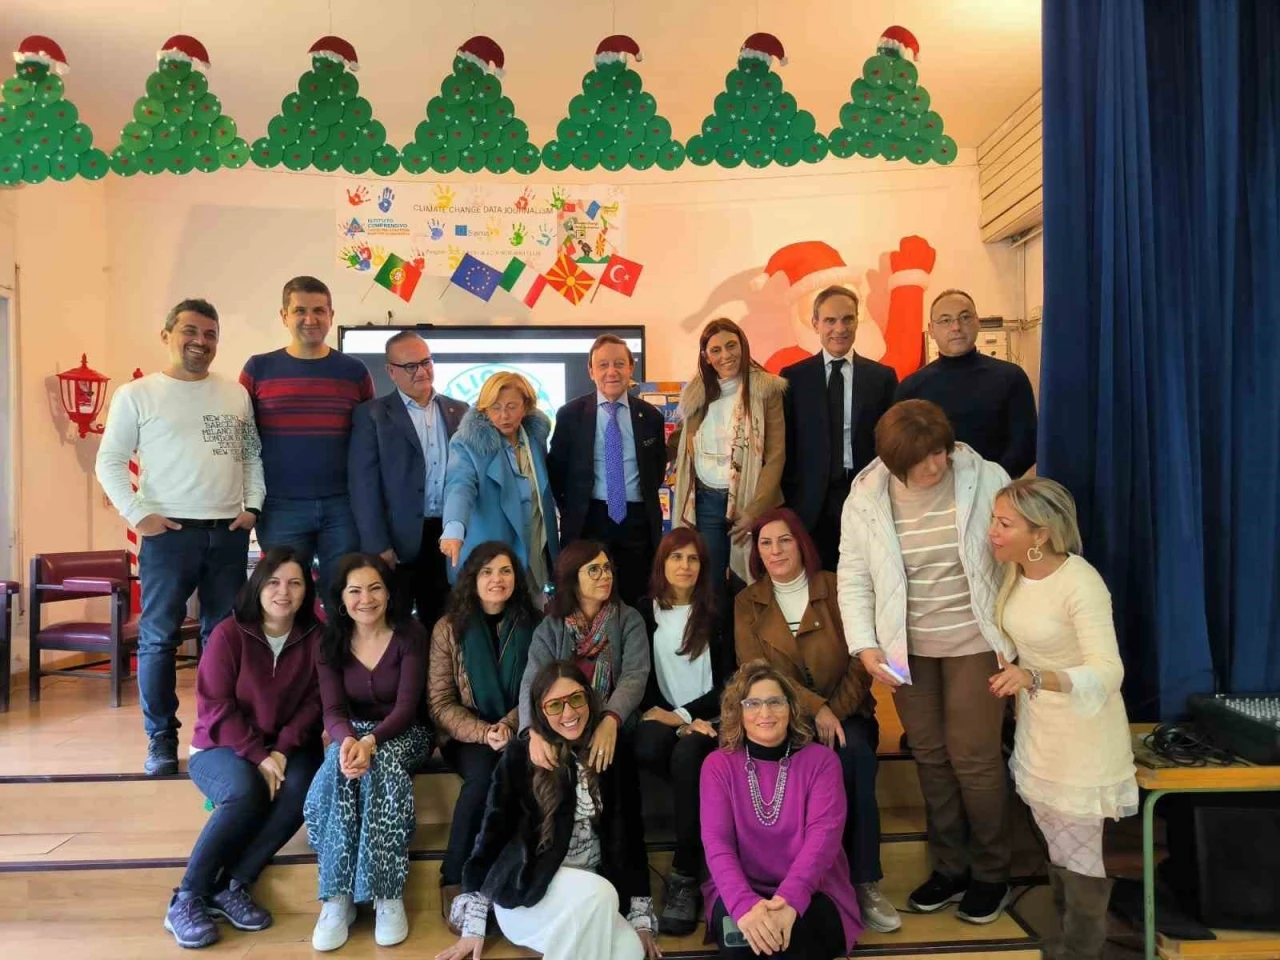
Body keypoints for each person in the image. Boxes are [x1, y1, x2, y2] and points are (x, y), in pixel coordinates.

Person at [837, 399, 1016, 924]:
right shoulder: (866, 495)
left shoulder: (986, 477)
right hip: (905, 649)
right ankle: (950, 867)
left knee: (975, 757)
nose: (935, 466)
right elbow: (854, 574)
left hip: (977, 641)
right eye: (921, 460)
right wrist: (864, 644)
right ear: (895, 463)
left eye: (940, 452)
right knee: (932, 757)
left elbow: (1014, 552)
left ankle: (992, 873)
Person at [95, 298, 264, 776]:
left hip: (227, 533)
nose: (200, 342)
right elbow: (109, 461)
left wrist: (252, 507)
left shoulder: (235, 395)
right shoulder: (137, 394)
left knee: (223, 638)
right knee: (158, 639)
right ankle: (161, 739)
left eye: (210, 334)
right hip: (168, 535)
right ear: (167, 334)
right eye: (190, 331)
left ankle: (216, 731)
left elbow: (251, 456)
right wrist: (138, 515)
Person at [987, 478, 1137, 960]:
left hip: (1082, 735)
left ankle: (1081, 949)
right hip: (1040, 730)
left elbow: (1109, 671)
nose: (992, 532)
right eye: (993, 520)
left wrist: (1033, 677)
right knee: (1059, 847)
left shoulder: (1080, 583)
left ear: (1041, 534)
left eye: (1004, 524)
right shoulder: (1016, 572)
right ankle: (1068, 945)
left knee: (1080, 852)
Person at [735, 507, 899, 933]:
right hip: (783, 719)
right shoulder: (747, 602)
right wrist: (814, 709)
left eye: (784, 540)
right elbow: (756, 670)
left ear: (801, 543)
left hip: (849, 711)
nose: (775, 550)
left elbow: (862, 656)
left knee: (853, 754)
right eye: (766, 543)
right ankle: (802, 880)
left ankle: (864, 880)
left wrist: (835, 711)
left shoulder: (836, 586)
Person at [435, 662, 658, 960]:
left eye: (576, 699)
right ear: (540, 711)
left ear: (589, 698)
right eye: (555, 705)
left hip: (589, 899)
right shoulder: (520, 755)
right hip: (527, 894)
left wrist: (640, 919)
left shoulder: (613, 753)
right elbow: (491, 836)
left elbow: (632, 838)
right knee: (602, 893)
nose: (568, 713)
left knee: (630, 950)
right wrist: (473, 926)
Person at [164, 547, 324, 949]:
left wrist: (281, 750)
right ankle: (187, 896)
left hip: (287, 746)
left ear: (306, 591)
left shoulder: (316, 637)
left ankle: (234, 884)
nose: (283, 592)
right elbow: (217, 707)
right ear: (258, 586)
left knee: (302, 787)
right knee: (245, 790)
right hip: (221, 745)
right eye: (274, 582)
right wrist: (260, 756)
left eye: (295, 583)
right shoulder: (229, 634)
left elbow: (314, 703)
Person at [304, 554, 432, 952]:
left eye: (375, 588)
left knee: (382, 764)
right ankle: (336, 897)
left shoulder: (410, 634)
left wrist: (369, 742)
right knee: (338, 764)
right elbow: (333, 710)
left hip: (407, 733)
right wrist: (347, 742)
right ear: (342, 598)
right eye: (355, 590)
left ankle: (387, 893)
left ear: (389, 593)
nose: (366, 599)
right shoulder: (329, 640)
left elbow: (406, 708)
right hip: (353, 734)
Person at [700, 660, 864, 959]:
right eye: (753, 703)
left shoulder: (822, 762)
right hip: (740, 889)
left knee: (790, 943)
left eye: (775, 702)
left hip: (815, 888)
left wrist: (789, 901)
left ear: (791, 708)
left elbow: (822, 842)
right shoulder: (718, 765)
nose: (765, 713)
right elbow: (717, 844)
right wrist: (744, 905)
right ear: (738, 711)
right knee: (745, 947)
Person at [427, 540, 540, 928]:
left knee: (522, 773)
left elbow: (538, 688)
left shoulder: (533, 623)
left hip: (520, 726)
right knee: (482, 778)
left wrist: (508, 725)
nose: (497, 579)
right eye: (487, 572)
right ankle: (455, 877)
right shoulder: (448, 628)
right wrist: (483, 732)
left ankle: (510, 880)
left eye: (505, 571)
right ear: (472, 579)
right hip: (466, 732)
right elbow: (440, 702)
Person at [240, 277, 374, 599]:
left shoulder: (355, 371)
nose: (310, 319)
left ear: (331, 315)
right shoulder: (258, 369)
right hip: (279, 506)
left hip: (344, 506)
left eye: (319, 310)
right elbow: (242, 440)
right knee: (284, 599)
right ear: (284, 316)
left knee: (342, 595)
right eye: (300, 310)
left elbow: (369, 442)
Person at [633, 527, 735, 936]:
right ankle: (710, 834)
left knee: (689, 756)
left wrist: (687, 717)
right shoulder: (644, 611)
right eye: (676, 557)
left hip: (711, 718)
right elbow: (639, 675)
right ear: (662, 563)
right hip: (663, 717)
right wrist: (674, 719)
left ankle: (685, 874)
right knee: (646, 745)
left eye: (693, 558)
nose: (685, 565)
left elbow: (728, 681)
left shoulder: (717, 610)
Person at [349, 331, 468, 630]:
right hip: (397, 543)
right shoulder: (372, 415)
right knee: (396, 626)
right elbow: (363, 486)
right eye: (410, 366)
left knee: (444, 624)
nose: (422, 372)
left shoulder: (459, 410)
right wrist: (378, 545)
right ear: (391, 371)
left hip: (448, 538)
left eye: (426, 362)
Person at [781, 286, 898, 571]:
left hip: (866, 495)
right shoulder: (793, 378)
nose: (840, 328)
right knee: (817, 581)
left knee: (865, 576)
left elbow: (892, 443)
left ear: (857, 321)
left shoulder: (882, 378)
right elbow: (785, 445)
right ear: (815, 324)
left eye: (848, 319)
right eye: (830, 320)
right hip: (810, 504)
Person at [548, 334, 668, 609]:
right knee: (586, 601)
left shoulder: (650, 416)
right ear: (591, 371)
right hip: (588, 521)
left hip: (637, 522)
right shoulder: (570, 415)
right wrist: (572, 508)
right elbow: (556, 470)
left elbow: (656, 468)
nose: (611, 371)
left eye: (619, 364)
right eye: (603, 365)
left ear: (631, 367)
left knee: (636, 598)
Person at [671, 318, 786, 602]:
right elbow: (682, 444)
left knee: (749, 583)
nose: (726, 355)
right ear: (706, 357)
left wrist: (754, 510)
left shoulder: (766, 389)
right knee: (709, 584)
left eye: (731, 345)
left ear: (743, 346)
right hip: (706, 502)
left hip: (749, 500)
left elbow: (775, 456)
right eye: (716, 350)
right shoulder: (697, 394)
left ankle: (747, 633)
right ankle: (714, 633)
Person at [519, 540, 651, 776]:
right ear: (572, 578)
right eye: (594, 570)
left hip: (614, 715)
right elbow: (532, 679)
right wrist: (533, 731)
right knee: (529, 754)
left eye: (607, 568)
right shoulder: (551, 626)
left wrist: (611, 718)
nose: (605, 575)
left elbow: (634, 676)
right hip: (565, 715)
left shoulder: (629, 619)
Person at [894, 289, 1037, 478]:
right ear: (931, 329)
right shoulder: (911, 388)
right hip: (933, 488)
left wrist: (991, 481)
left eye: (965, 317)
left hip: (997, 488)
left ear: (978, 322)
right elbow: (901, 448)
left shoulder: (1011, 377)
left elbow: (1026, 443)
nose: (956, 327)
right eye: (945, 320)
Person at [441, 371, 558, 599]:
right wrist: (454, 527)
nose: (504, 415)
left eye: (512, 407)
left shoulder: (534, 438)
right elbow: (459, 486)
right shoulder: (468, 443)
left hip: (535, 551)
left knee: (532, 613)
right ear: (484, 409)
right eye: (495, 407)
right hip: (492, 556)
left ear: (526, 406)